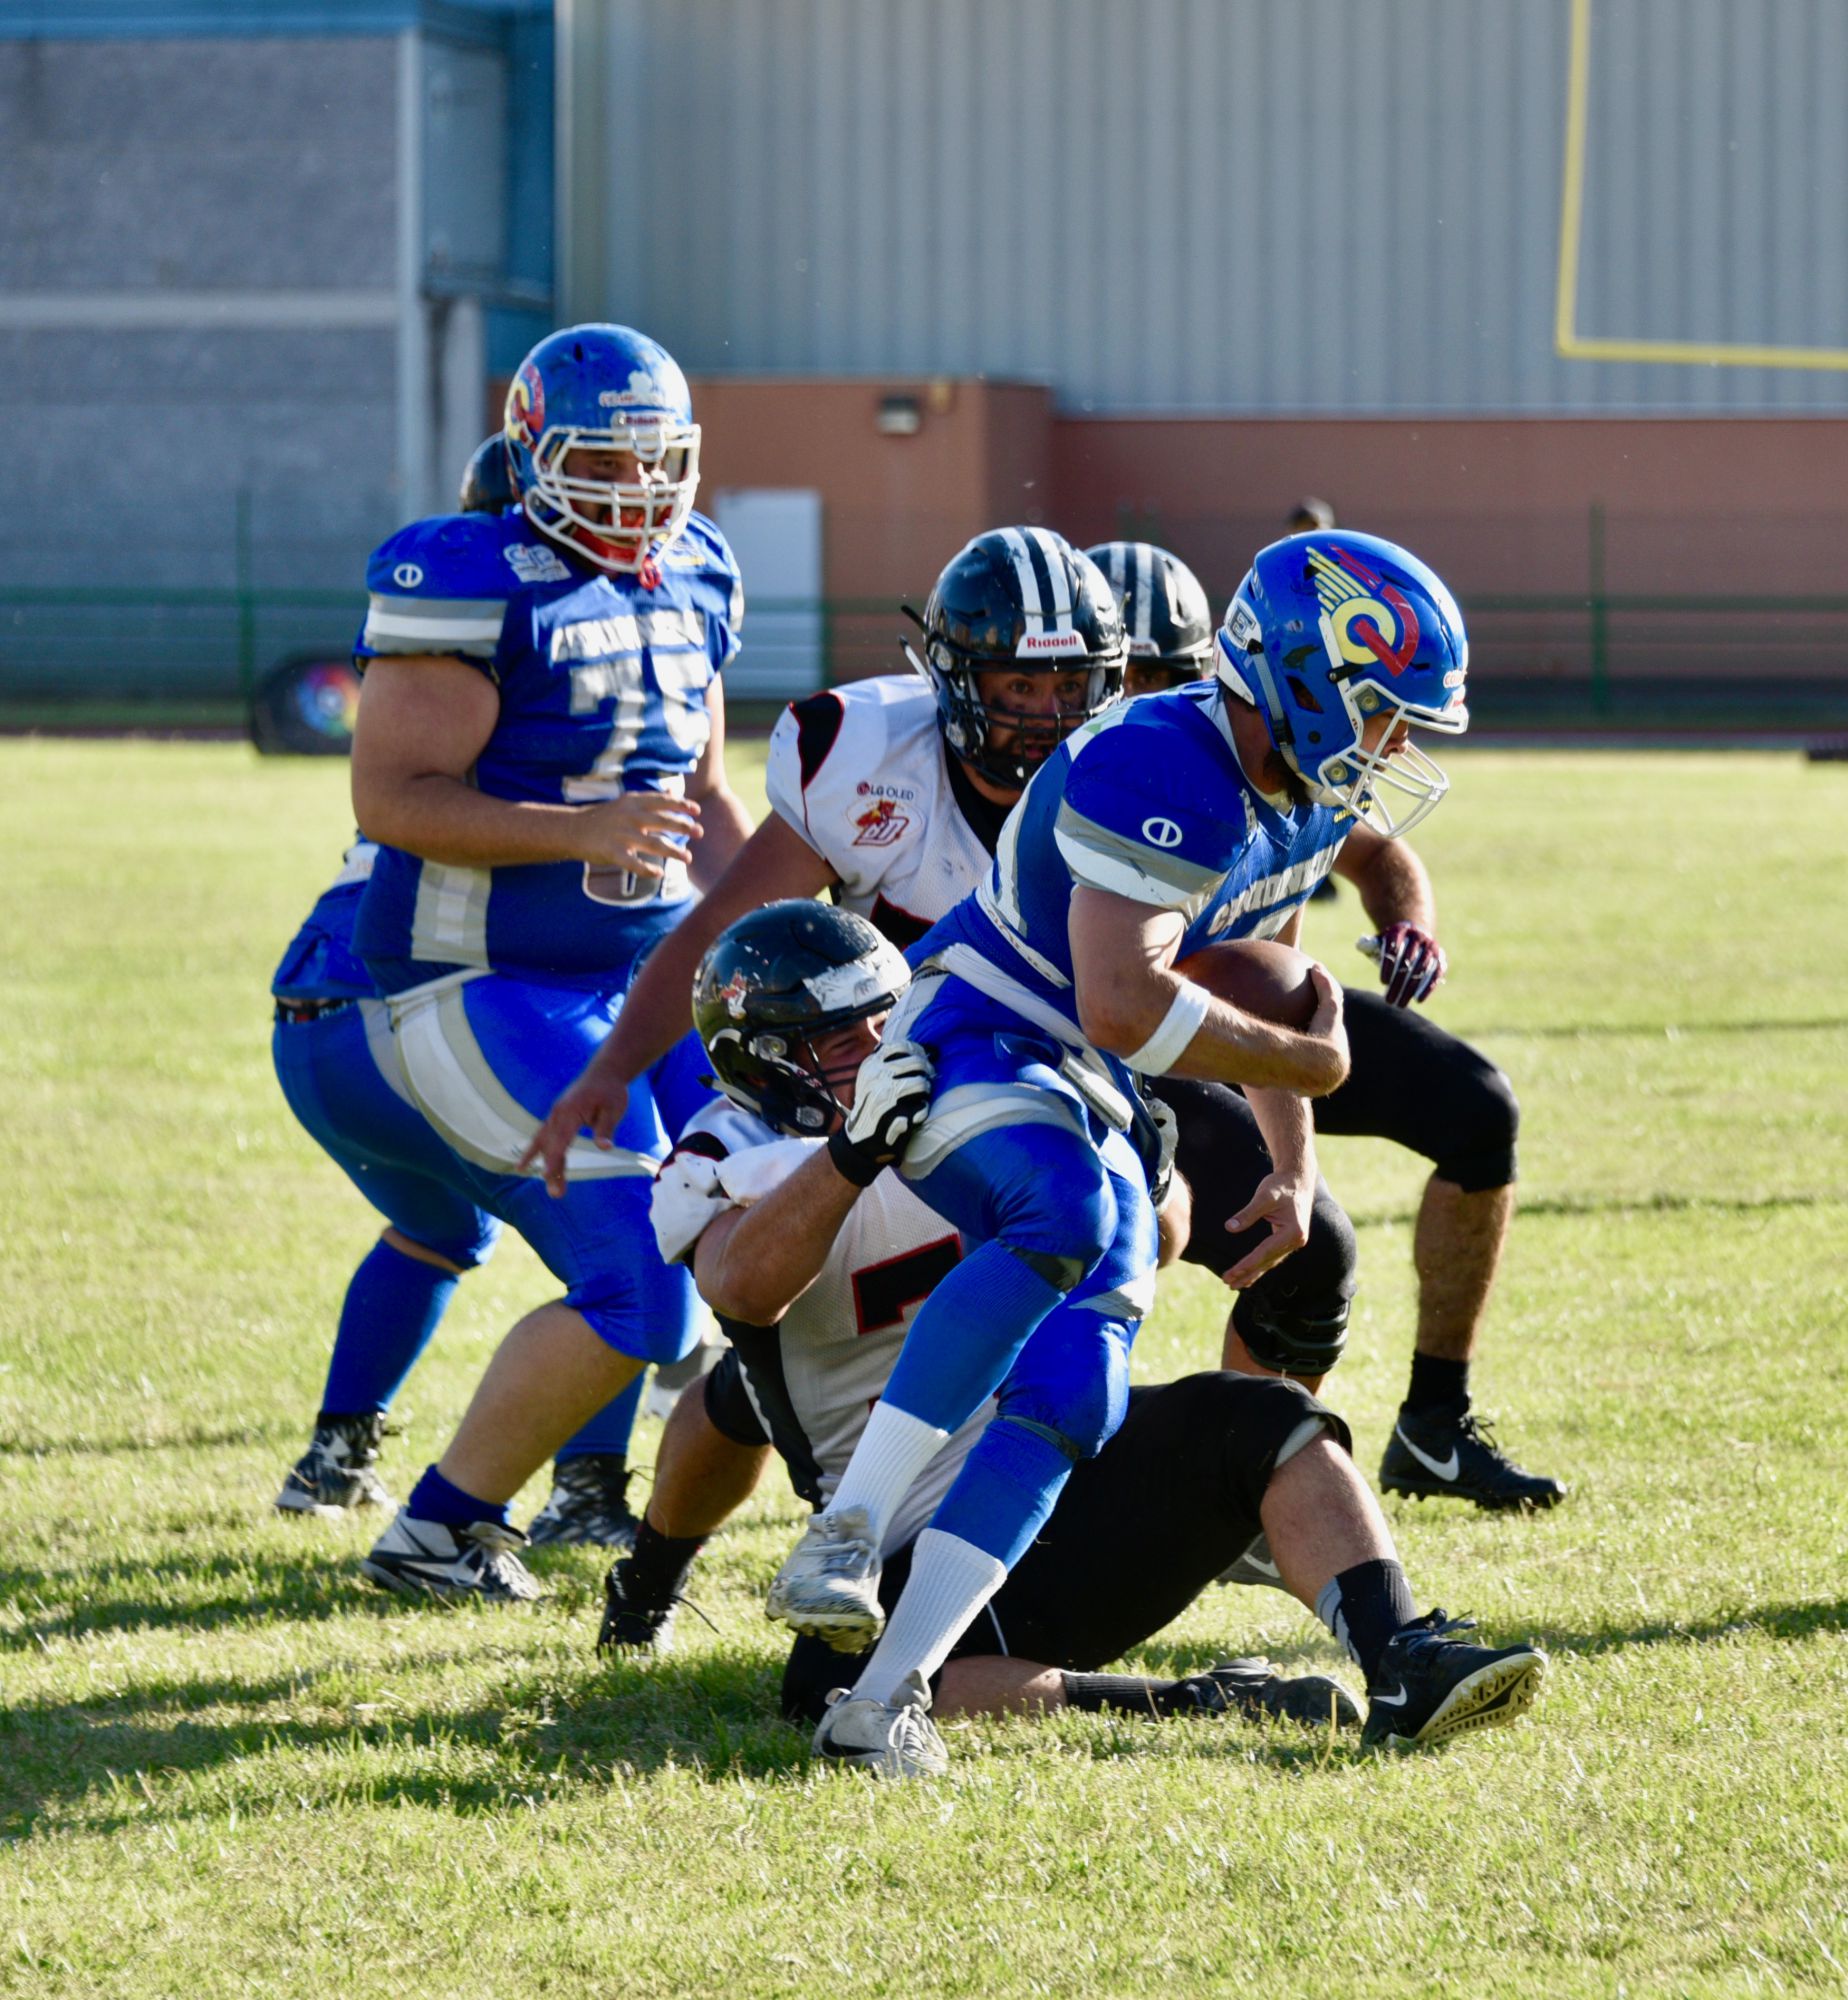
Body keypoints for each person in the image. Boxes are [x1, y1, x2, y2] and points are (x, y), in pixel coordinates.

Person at [527, 529, 1363, 1598]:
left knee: (1293, 1245)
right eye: (1018, 684)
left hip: (1100, 1059)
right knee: (765, 1371)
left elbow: (1251, 966)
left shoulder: (1152, 769)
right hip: (894, 1070)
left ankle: (1228, 1509)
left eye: (1073, 684)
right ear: (957, 676)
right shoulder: (871, 763)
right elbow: (724, 932)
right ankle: (659, 1573)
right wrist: (614, 1064)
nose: (1047, 713)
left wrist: (1287, 1153)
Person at [614, 900, 1545, 1778]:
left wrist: (1137, 1155)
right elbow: (743, 1288)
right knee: (830, 1687)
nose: (882, 1045)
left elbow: (1166, 1237)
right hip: (898, 1527)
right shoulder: (723, 1148)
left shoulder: (977, 1076)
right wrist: (855, 1153)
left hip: (1060, 1468)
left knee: (1264, 1421)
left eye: (886, 1019)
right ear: (765, 1064)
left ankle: (1402, 1655)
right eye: (841, 1040)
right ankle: (1187, 1701)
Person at [346, 322, 754, 1601]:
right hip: (482, 980)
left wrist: (772, 925)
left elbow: (706, 798)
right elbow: (391, 795)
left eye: (657, 461)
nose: (637, 490)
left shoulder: (697, 571)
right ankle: (437, 1531)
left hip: (654, 980)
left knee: (790, 1203)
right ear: (532, 455)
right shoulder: (474, 578)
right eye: (603, 463)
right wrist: (574, 830)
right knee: (638, 1286)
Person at [1090, 540, 1562, 1513]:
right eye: (1386, 712)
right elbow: (1122, 996)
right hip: (1136, 1032)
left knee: (1477, 1110)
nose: (1398, 744)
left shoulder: (1300, 763)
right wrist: (1296, 1094)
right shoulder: (1161, 762)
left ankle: (1430, 1427)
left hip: (1243, 1009)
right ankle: (1204, 1500)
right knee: (1284, 1251)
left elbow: (1361, 873)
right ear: (1306, 683)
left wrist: (1405, 928)